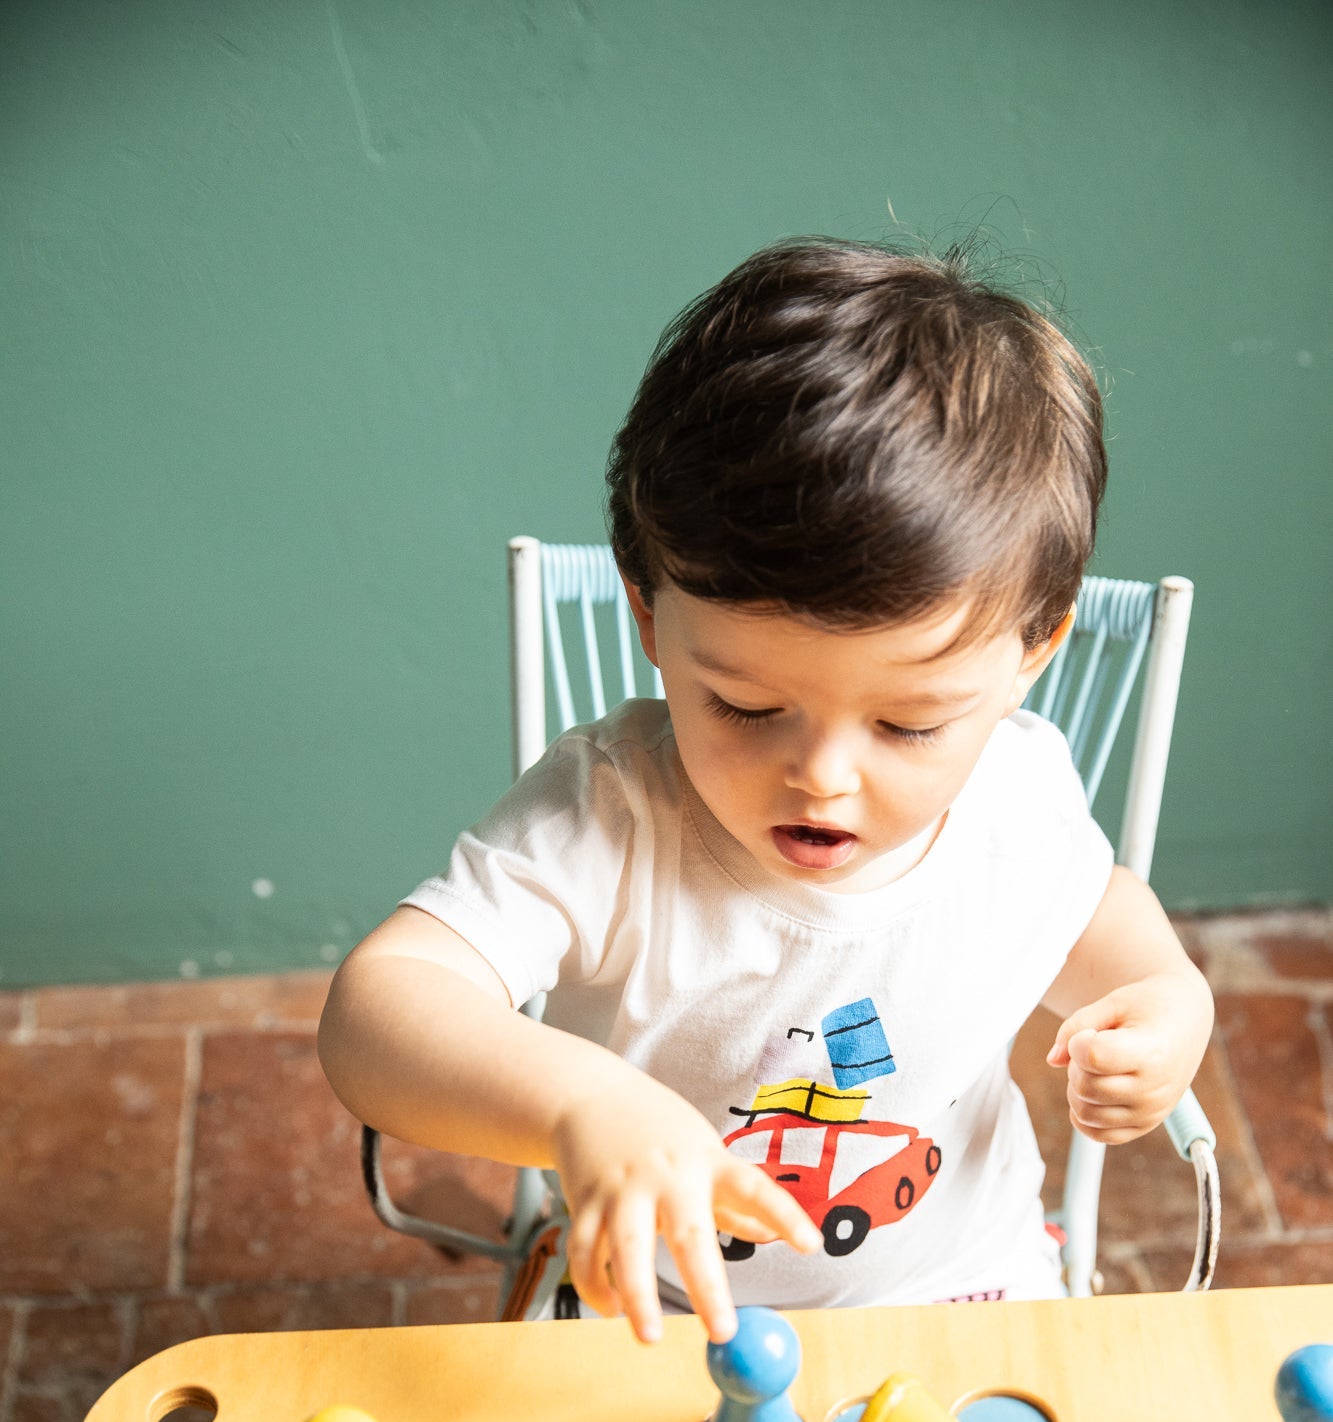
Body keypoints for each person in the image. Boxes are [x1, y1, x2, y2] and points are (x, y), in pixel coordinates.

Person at [318, 238, 1213, 1346]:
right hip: (658, 1302)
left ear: (1034, 650)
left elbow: (1093, 912)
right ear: (648, 615)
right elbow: (378, 1010)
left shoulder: (1017, 793)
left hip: (963, 1285)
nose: (823, 778)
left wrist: (1168, 999)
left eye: (908, 724)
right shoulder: (611, 819)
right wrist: (583, 1104)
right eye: (745, 705)